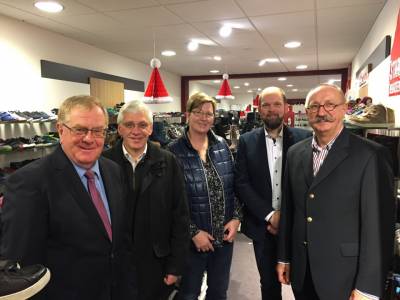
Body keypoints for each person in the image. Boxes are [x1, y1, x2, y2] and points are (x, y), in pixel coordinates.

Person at [1, 95, 135, 299]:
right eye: (80, 129)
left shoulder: (113, 170)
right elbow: (21, 270)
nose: (89, 139)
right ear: (61, 129)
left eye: (98, 131)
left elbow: (119, 240)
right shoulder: (29, 182)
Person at [277, 84, 394, 300]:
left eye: (330, 105)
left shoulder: (370, 155)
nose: (322, 112)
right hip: (303, 271)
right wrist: (285, 257)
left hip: (345, 275)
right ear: (307, 111)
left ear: (344, 109)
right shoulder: (295, 153)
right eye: (314, 106)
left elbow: (378, 227)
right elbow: (289, 210)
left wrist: (367, 286)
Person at [103, 100, 190, 300]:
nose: (136, 131)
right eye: (129, 125)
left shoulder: (167, 161)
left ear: (150, 128)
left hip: (156, 262)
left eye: (142, 125)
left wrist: (175, 266)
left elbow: (180, 216)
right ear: (120, 128)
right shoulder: (104, 162)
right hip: (116, 262)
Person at [235, 87, 311, 299]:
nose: (271, 109)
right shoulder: (246, 141)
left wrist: (286, 217)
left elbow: (310, 184)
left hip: (297, 227)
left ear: (286, 107)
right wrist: (270, 215)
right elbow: (242, 183)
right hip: (262, 227)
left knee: (302, 283)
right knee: (268, 284)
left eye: (276, 104)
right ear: (259, 110)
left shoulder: (305, 138)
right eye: (266, 105)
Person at [168, 92, 242, 300]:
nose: (203, 118)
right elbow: (170, 201)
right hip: (192, 241)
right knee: (188, 293)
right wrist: (193, 232)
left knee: (219, 292)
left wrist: (236, 218)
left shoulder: (222, 146)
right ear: (188, 115)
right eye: (198, 112)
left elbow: (235, 187)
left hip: (223, 238)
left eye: (208, 113)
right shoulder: (173, 152)